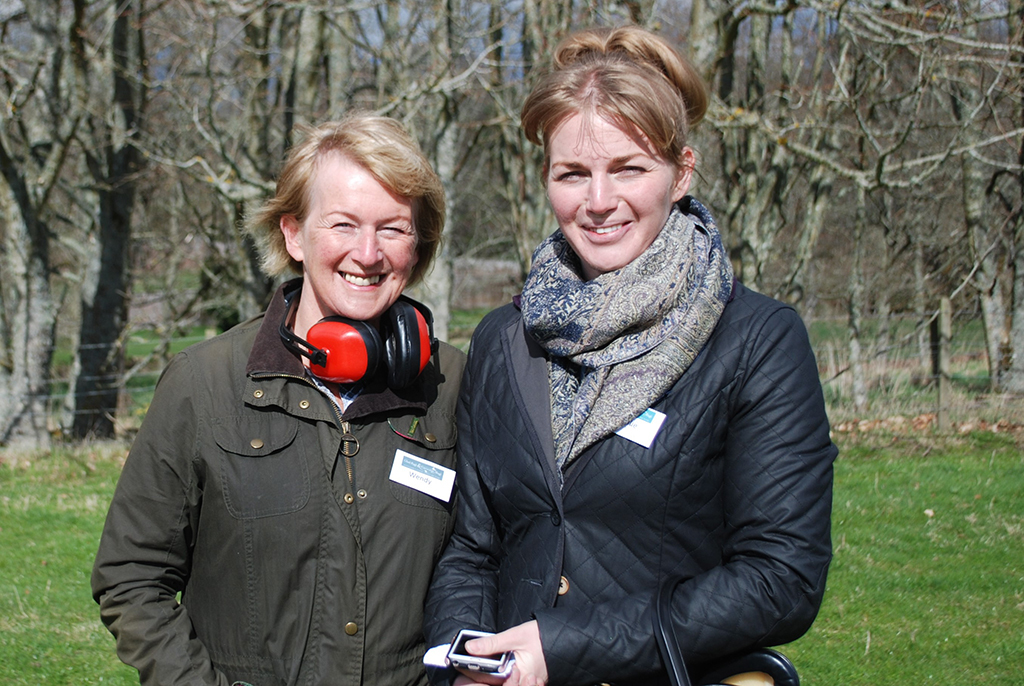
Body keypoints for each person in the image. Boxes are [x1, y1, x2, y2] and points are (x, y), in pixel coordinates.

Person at [423, 25, 836, 686]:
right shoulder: (504, 338)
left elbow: (780, 578)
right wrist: (463, 659)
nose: (598, 202)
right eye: (573, 174)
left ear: (681, 173)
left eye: (629, 169)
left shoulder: (756, 339)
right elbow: (473, 547)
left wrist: (564, 647)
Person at [93, 113, 466, 686]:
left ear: (418, 246)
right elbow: (130, 575)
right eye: (343, 224)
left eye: (392, 228)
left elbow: (483, 567)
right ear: (293, 233)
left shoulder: (454, 386)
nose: (367, 254)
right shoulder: (204, 383)